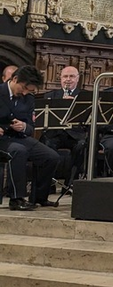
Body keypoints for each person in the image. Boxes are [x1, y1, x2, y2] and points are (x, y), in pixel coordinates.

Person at [0, 66, 60, 210]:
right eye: (24, 88)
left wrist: (24, 127)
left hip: (19, 136)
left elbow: (31, 126)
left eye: (30, 90)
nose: (25, 92)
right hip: (2, 138)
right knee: (18, 150)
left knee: (51, 156)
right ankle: (16, 199)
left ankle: (39, 197)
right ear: (15, 79)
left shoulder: (28, 98)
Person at [40, 66, 88, 181]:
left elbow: (87, 118)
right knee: (47, 144)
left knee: (82, 145)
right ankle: (48, 183)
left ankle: (70, 183)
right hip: (55, 133)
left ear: (77, 79)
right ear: (60, 79)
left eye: (71, 76)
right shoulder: (50, 96)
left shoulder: (84, 95)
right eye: (65, 76)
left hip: (76, 134)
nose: (68, 79)